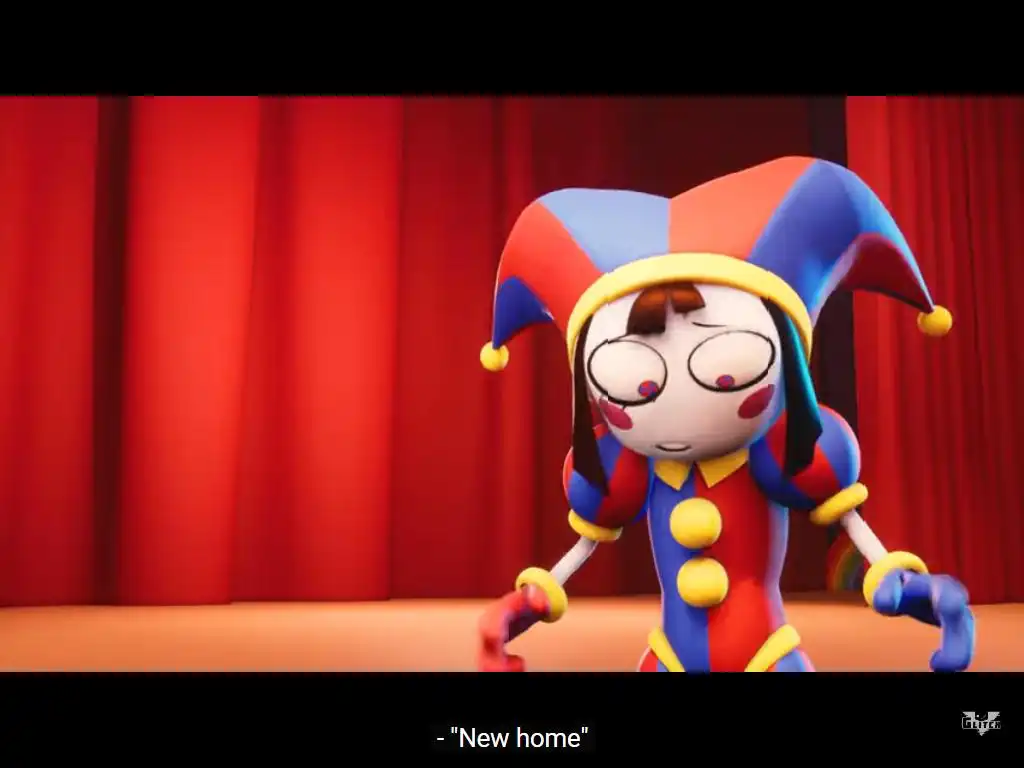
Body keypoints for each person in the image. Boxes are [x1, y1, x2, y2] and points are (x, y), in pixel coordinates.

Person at [476, 156, 975, 673]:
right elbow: (579, 552)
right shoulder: (629, 470)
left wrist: (901, 579)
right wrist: (529, 601)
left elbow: (854, 531)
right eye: (632, 379)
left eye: (723, 370)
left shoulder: (778, 454)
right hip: (668, 656)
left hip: (767, 656)